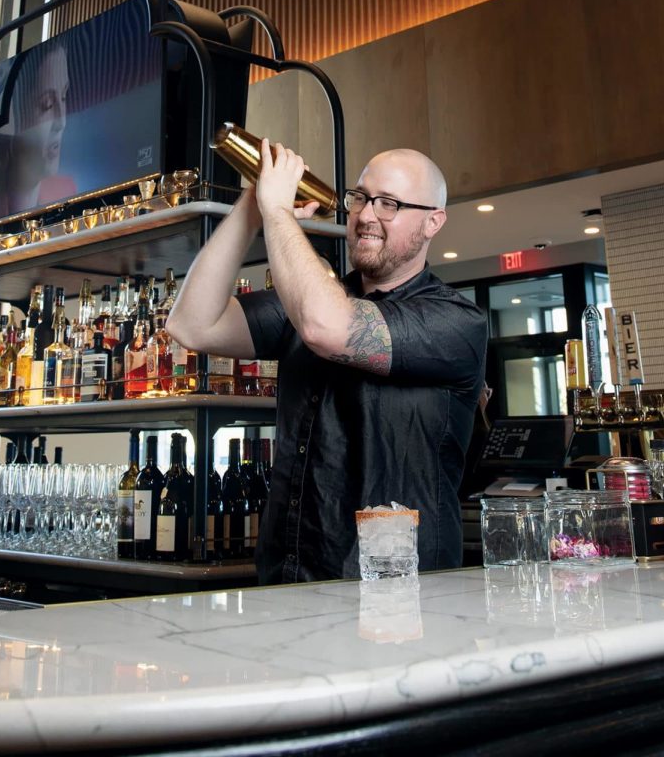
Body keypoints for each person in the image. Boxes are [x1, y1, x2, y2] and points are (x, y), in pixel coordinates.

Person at [167, 139, 488, 584]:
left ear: (434, 221)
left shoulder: (455, 322)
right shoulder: (311, 302)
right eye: (361, 198)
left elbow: (327, 328)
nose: (367, 216)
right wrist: (252, 206)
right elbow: (192, 324)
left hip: (395, 594)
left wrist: (279, 214)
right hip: (289, 577)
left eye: (389, 204)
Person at [0, 41, 76, 220]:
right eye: (48, 105)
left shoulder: (67, 194)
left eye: (64, 96)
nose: (62, 122)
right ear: (12, 116)